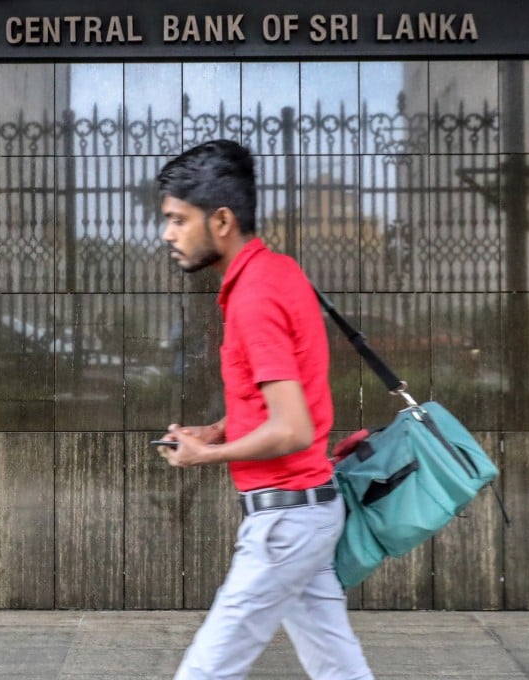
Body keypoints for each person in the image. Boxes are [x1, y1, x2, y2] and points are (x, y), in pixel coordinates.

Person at [155, 139, 373, 680]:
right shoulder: (275, 273)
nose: (168, 234)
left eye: (179, 219)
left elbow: (293, 428)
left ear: (221, 220)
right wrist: (217, 429)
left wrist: (206, 456)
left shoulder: (254, 296)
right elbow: (275, 399)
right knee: (337, 665)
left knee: (206, 670)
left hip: (285, 521)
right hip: (305, 512)